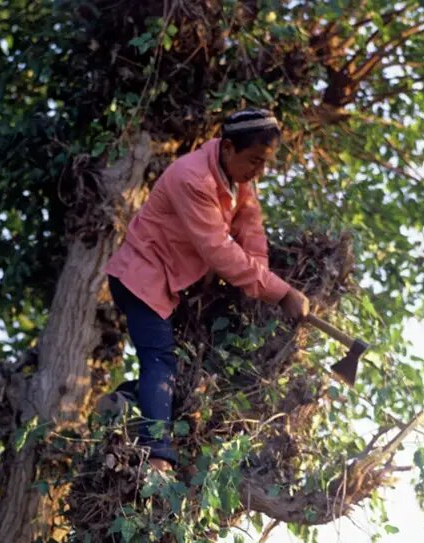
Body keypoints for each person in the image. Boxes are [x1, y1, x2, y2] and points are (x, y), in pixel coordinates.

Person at [103, 108, 310, 473]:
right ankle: (157, 456)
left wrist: (260, 278)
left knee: (188, 365)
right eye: (254, 161)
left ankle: (126, 397)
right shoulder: (192, 178)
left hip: (173, 284)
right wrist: (281, 292)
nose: (258, 171)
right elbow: (219, 250)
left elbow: (251, 230)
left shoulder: (238, 178)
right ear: (228, 147)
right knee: (160, 361)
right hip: (142, 277)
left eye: (265, 163)